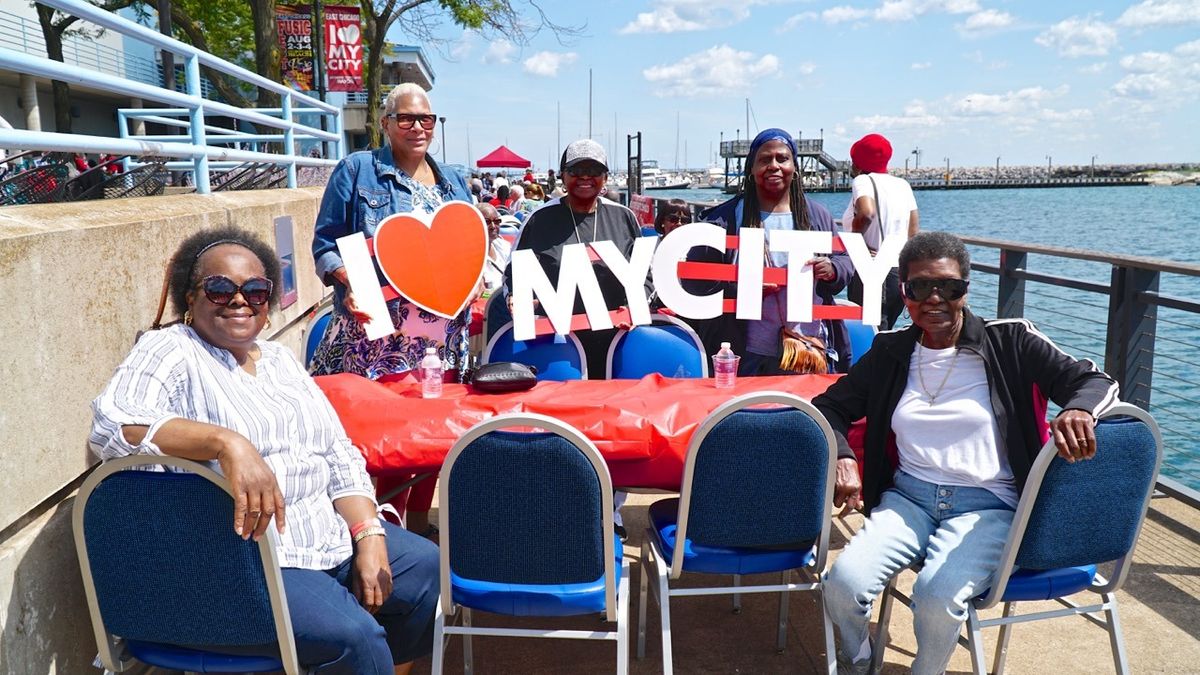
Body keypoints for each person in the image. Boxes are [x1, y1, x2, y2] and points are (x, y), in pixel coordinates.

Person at [89, 226, 440, 675]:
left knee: (424, 569)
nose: (239, 300)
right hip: (243, 561)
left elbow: (338, 455)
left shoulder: (279, 361)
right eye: (220, 288)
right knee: (355, 637)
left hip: (326, 537)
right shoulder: (172, 350)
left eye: (255, 290)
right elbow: (112, 423)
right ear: (190, 296)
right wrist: (225, 442)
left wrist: (368, 535)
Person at [813, 231, 1119, 675]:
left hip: (989, 505)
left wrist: (1078, 409)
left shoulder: (1010, 341)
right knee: (842, 584)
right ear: (905, 293)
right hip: (910, 499)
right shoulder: (890, 351)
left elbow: (1095, 380)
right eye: (920, 287)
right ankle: (858, 656)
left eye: (948, 287)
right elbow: (830, 408)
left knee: (936, 598)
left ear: (966, 290)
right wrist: (843, 455)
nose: (934, 298)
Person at [309, 81, 471, 537]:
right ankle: (383, 525)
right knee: (383, 436)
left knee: (432, 426)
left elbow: (466, 244)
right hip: (376, 332)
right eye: (405, 118)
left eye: (426, 119)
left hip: (438, 330)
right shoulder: (357, 170)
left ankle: (419, 520)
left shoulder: (453, 180)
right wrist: (350, 284)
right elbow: (326, 244)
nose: (417, 127)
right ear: (384, 124)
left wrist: (473, 273)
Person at [695, 128, 853, 375]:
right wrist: (743, 287)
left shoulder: (817, 215)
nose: (774, 165)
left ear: (795, 166)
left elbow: (845, 261)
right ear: (751, 168)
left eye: (782, 158)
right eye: (765, 159)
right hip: (746, 350)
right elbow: (697, 281)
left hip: (807, 348)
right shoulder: (723, 219)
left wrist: (833, 269)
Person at [503, 137, 649, 378]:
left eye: (593, 170)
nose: (584, 177)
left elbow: (646, 273)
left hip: (618, 339)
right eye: (576, 170)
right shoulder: (539, 219)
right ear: (562, 176)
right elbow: (513, 272)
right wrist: (515, 297)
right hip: (557, 344)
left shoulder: (624, 217)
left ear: (606, 177)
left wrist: (637, 305)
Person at [844, 133, 919, 330]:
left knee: (871, 336)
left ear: (858, 162)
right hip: (898, 272)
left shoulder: (863, 181)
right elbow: (913, 231)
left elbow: (867, 213)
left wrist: (856, 245)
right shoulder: (903, 185)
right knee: (884, 333)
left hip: (872, 271)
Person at [477, 202, 511, 292]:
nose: (493, 226)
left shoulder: (504, 246)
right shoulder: (467, 256)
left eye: (497, 221)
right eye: (487, 222)